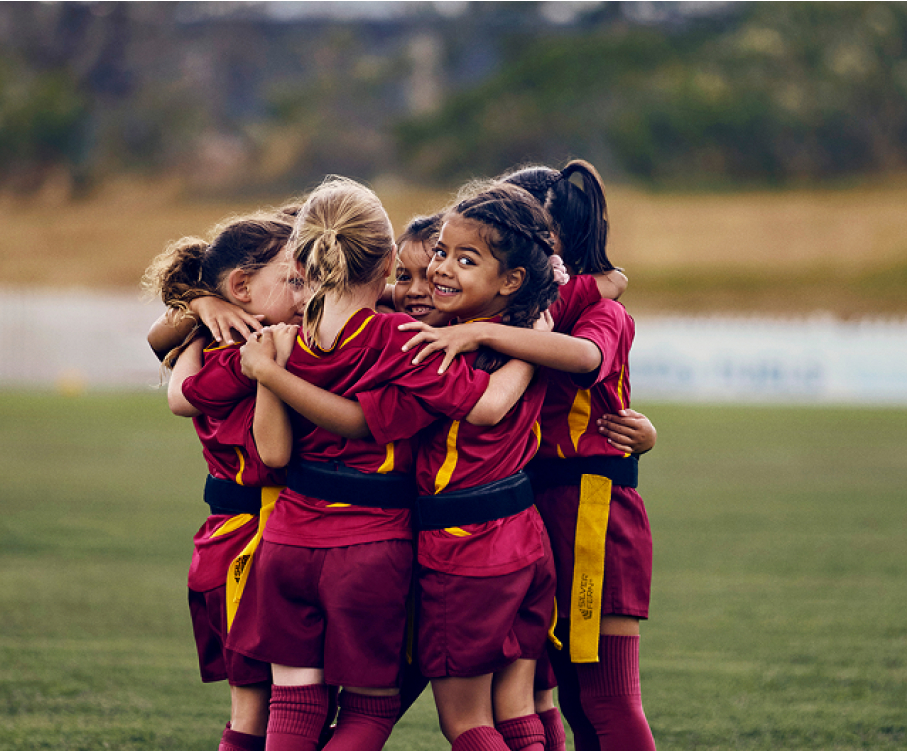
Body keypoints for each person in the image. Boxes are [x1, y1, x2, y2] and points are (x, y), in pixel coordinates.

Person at [224, 176, 540, 751]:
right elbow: (486, 404)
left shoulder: (287, 334)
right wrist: (528, 348)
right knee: (370, 711)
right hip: (368, 546)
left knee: (294, 703)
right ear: (390, 258)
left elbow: (273, 452)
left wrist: (268, 371)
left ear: (302, 257)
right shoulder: (398, 336)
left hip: (288, 539)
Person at [402, 158, 658, 751]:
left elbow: (586, 355)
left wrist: (483, 333)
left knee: (602, 697)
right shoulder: (512, 307)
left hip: (588, 507)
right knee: (540, 691)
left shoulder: (585, 311)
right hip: (524, 510)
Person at [141, 211, 308, 751]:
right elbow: (183, 396)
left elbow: (170, 368)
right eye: (297, 280)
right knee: (259, 708)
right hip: (251, 540)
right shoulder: (247, 352)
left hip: (248, 534)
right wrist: (199, 307)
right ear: (242, 287)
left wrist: (196, 306)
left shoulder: (235, 338)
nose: (311, 292)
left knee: (279, 705)